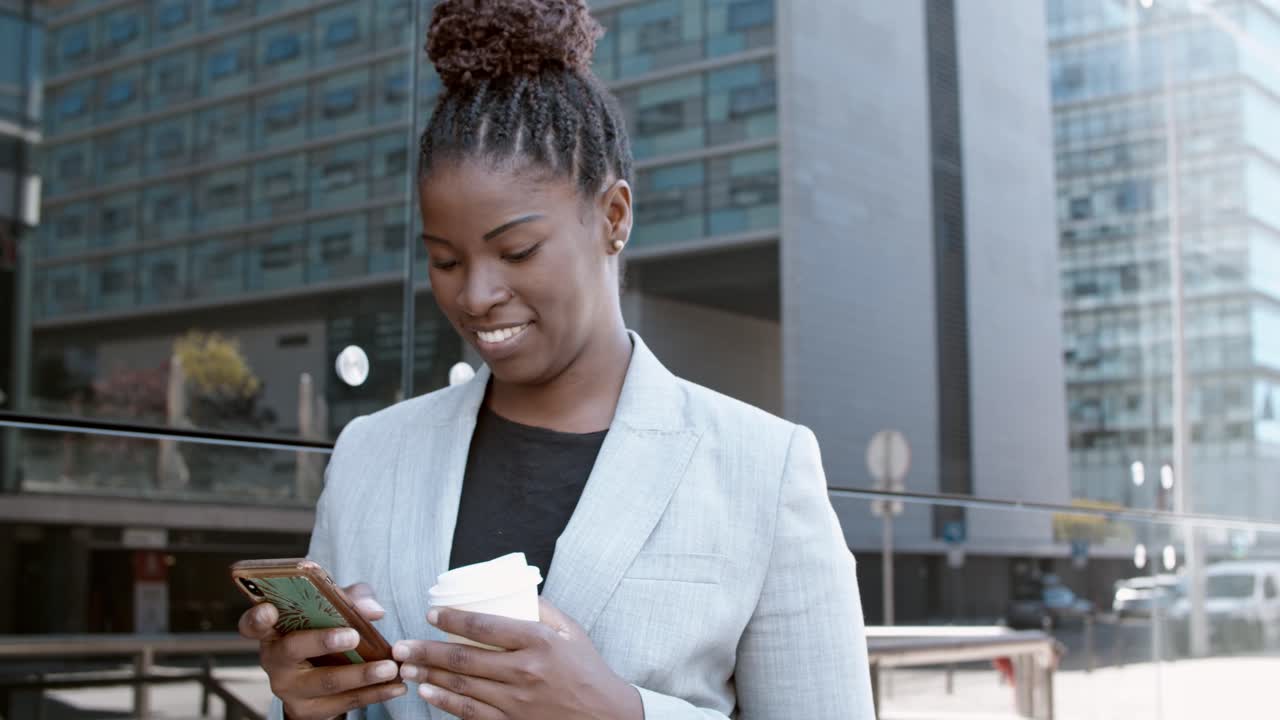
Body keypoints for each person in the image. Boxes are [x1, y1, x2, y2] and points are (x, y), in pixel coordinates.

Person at [238, 1, 874, 718]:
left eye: (517, 252)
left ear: (614, 217)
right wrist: (304, 705)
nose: (476, 295)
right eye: (445, 260)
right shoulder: (369, 454)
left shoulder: (763, 467)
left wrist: (621, 712)